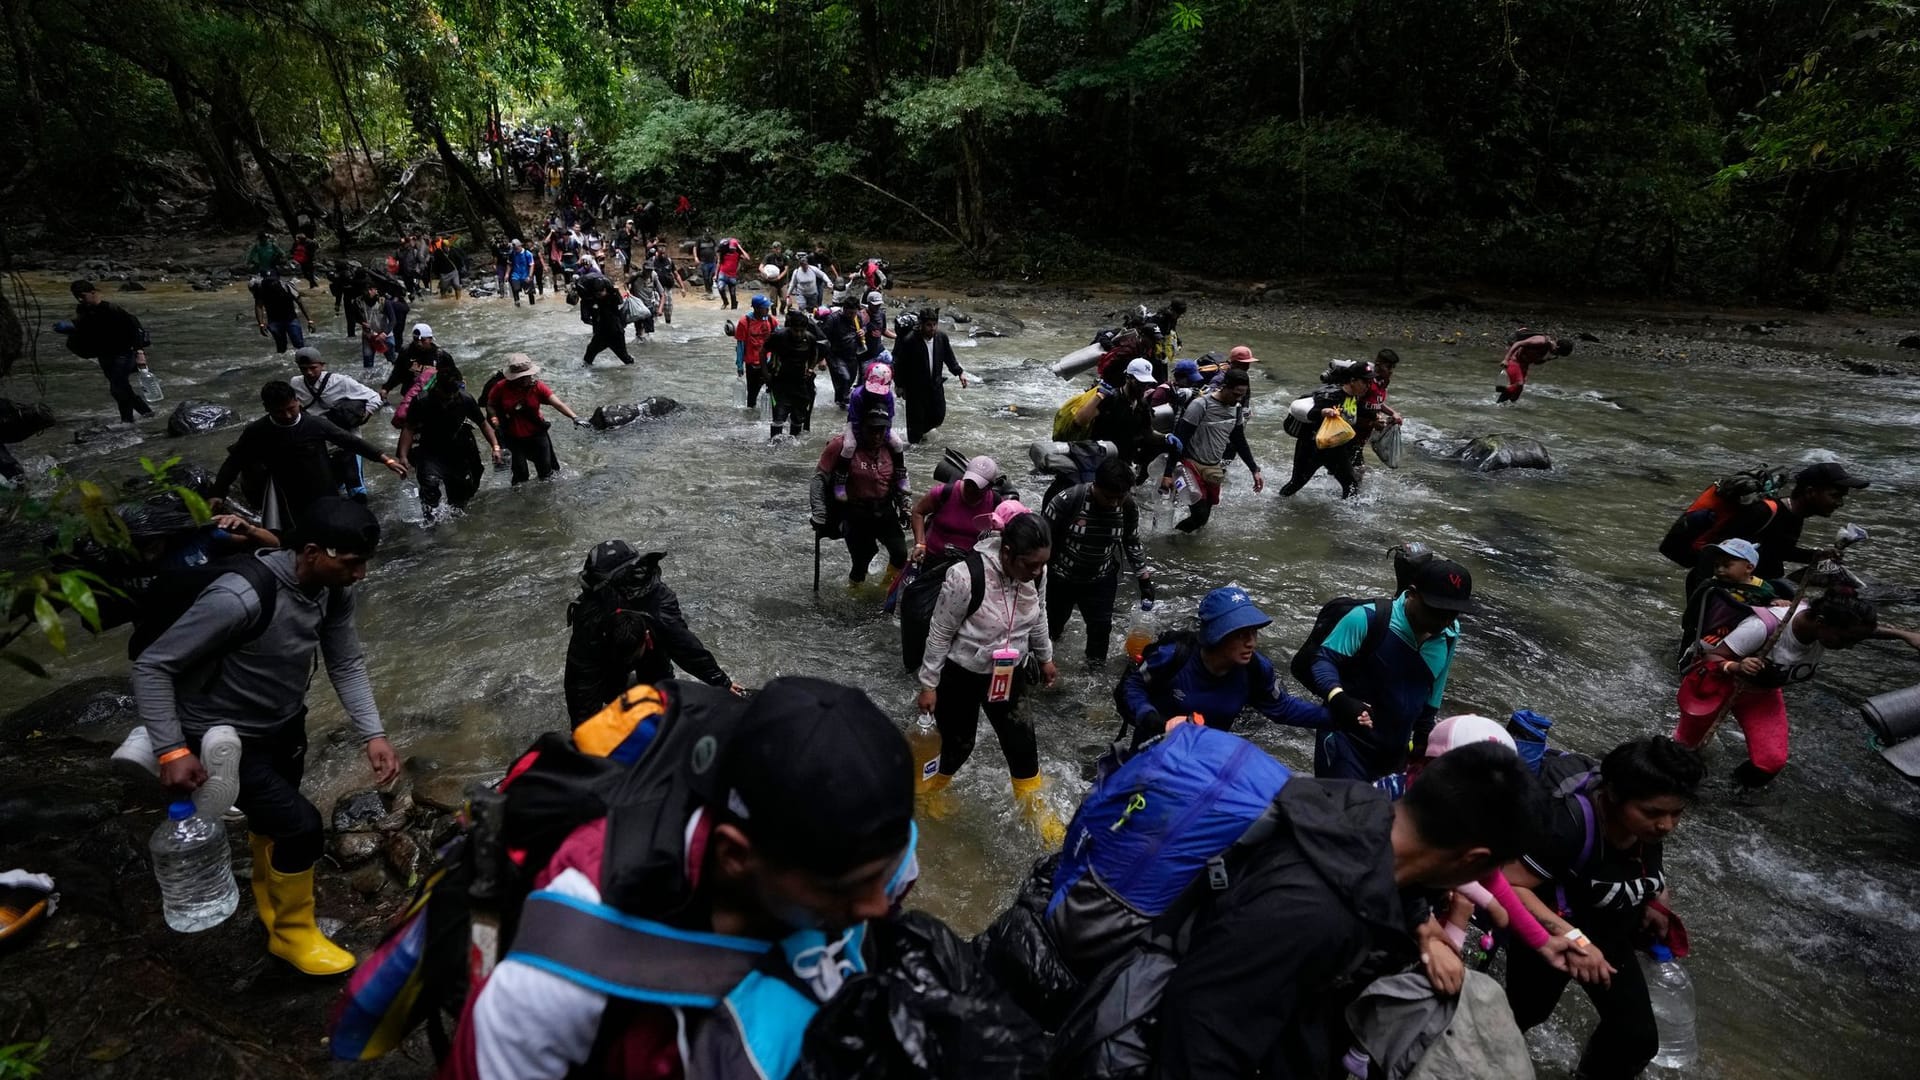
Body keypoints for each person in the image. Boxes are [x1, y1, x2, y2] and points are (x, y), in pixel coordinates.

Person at [442, 676, 915, 1080]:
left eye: (888, 872)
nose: (879, 906)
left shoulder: (867, 851)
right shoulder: (560, 971)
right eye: (846, 888)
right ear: (734, 854)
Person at [1150, 741, 1543, 1078]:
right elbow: (1197, 1040)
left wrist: (1422, 924)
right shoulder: (1312, 913)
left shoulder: (1361, 806)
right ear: (1473, 860)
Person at [132, 497, 398, 976]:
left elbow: (345, 661)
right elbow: (153, 665)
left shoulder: (332, 590)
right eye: (353, 563)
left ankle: (272, 912)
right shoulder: (240, 597)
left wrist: (372, 734)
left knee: (270, 825)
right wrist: (171, 749)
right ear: (313, 551)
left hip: (283, 723)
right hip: (220, 735)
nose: (360, 574)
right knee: (301, 828)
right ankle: (292, 937)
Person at [1503, 737, 1704, 1080]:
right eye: (1654, 812)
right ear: (1613, 795)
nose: (1666, 825)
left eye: (1677, 813)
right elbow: (1509, 885)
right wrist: (1577, 942)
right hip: (1552, 942)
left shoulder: (1645, 831)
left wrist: (1655, 899)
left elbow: (1643, 867)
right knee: (1517, 1020)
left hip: (1611, 940)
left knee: (1636, 1038)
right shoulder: (1567, 825)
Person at [913, 504, 1062, 840]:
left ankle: (1033, 810)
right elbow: (939, 632)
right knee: (958, 745)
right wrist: (929, 685)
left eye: (1043, 564)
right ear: (1007, 552)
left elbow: (1039, 614)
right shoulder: (965, 577)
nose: (1037, 572)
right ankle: (928, 795)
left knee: (1023, 744)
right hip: (961, 673)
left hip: (1008, 671)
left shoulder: (1037, 574)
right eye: (1031, 565)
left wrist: (1045, 656)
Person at [1674, 590, 1920, 790]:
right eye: (1846, 640)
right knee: (1685, 752)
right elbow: (1711, 656)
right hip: (1716, 686)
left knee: (1770, 763)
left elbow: (1865, 631)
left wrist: (1904, 635)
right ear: (1821, 622)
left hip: (1762, 694)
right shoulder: (1763, 627)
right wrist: (1736, 665)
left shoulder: (1830, 626)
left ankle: (1731, 794)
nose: (1849, 647)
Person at [1308, 557, 1476, 781]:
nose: (1443, 620)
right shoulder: (1368, 618)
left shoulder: (1449, 634)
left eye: (1452, 613)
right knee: (1343, 811)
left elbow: (1436, 686)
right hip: (1346, 742)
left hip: (1395, 752)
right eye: (1435, 610)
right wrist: (1338, 697)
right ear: (1412, 593)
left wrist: (1424, 736)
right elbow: (1323, 661)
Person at [1116, 585, 1330, 748]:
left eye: (1254, 632)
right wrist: (1152, 718)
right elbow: (1131, 687)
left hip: (1206, 757)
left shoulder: (1256, 668)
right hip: (1152, 751)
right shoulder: (1173, 655)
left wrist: (1343, 717)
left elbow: (1283, 708)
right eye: (1240, 634)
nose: (1251, 642)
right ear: (1217, 635)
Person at [561, 539, 742, 724]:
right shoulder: (590, 616)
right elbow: (581, 682)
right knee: (608, 695)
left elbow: (684, 645)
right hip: (610, 652)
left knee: (660, 695)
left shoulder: (658, 602)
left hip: (651, 648)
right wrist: (583, 734)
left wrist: (721, 682)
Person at [212, 381, 406, 530]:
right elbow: (234, 462)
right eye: (280, 412)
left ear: (298, 402)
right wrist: (217, 494)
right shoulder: (258, 431)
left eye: (291, 409)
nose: (287, 416)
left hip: (323, 487)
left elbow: (350, 441)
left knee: (332, 529)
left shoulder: (314, 424)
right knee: (295, 534)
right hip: (286, 492)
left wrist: (385, 459)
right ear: (267, 408)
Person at [1692, 461, 1870, 593]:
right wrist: (1706, 596)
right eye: (1835, 496)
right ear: (1810, 492)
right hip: (1722, 592)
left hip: (1754, 588)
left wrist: (1816, 555)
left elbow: (1778, 550)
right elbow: (1714, 551)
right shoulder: (1764, 512)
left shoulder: (1794, 515)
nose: (1840, 503)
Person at [1044, 456, 1150, 667]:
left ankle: (1093, 675)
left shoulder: (1127, 507)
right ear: (1096, 485)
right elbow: (1042, 542)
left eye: (1120, 497)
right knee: (1052, 628)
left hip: (1100, 578)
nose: (1114, 503)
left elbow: (1132, 542)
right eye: (1109, 497)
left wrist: (1144, 578)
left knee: (1101, 630)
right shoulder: (1067, 501)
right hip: (1061, 578)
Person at [812, 408, 910, 586]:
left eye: (881, 430)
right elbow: (819, 479)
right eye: (872, 430)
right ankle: (855, 591)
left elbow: (901, 475)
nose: (877, 436)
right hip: (855, 513)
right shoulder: (841, 446)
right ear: (860, 427)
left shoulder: (891, 447)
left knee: (900, 553)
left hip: (884, 509)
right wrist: (819, 512)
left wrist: (905, 505)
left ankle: (885, 589)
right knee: (862, 560)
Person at [1159, 368, 1263, 533]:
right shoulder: (1201, 405)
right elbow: (1180, 439)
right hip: (1189, 464)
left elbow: (1239, 441)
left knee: (1203, 519)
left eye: (1242, 395)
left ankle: (1179, 541)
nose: (1239, 398)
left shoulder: (1236, 409)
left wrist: (1254, 469)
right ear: (1225, 386)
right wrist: (1167, 473)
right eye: (1236, 394)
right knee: (1199, 515)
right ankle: (1170, 542)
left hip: (1213, 467)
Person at [397, 362, 501, 521]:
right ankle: (430, 529)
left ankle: (456, 531)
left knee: (459, 500)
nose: (449, 399)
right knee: (430, 489)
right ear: (437, 388)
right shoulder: (422, 401)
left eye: (453, 394)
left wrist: (495, 446)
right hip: (430, 450)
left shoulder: (465, 399)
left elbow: (483, 423)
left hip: (458, 449)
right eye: (446, 395)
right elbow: (409, 428)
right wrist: (403, 455)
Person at [291, 348, 384, 498]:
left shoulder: (341, 381)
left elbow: (375, 397)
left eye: (313, 368)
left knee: (356, 490)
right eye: (304, 369)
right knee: (330, 488)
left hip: (348, 440)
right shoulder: (296, 383)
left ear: (322, 365)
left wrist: (363, 417)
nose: (309, 373)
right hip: (320, 443)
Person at [60, 280, 154, 424]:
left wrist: (140, 353)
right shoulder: (83, 311)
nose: (80, 299)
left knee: (117, 388)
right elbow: (85, 331)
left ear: (93, 293)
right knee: (122, 388)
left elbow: (134, 329)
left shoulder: (111, 309)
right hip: (104, 355)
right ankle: (147, 413)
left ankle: (127, 421)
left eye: (82, 296)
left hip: (124, 354)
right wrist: (71, 330)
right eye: (76, 296)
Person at [486, 354, 586, 485]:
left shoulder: (538, 387)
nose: (524, 380)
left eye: (526, 377)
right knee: (520, 475)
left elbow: (558, 404)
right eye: (520, 378)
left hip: (537, 435)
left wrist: (575, 417)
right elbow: (490, 404)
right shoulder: (500, 387)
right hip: (513, 438)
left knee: (546, 473)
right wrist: (494, 420)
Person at [1279, 359, 1371, 499]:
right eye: (1364, 382)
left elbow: (1357, 414)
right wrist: (1324, 412)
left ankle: (1346, 517)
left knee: (1351, 485)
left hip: (1335, 449)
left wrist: (1380, 419)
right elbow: (1311, 414)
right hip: (1311, 449)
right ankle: (1276, 504)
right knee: (1295, 484)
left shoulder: (1353, 397)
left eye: (1369, 382)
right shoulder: (1331, 395)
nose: (1367, 386)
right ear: (1352, 380)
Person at [1676, 537, 1780, 661]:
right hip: (1714, 630)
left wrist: (1776, 602)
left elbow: (1771, 605)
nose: (1720, 570)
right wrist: (1689, 628)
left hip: (1746, 632)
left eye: (1726, 565)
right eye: (1716, 565)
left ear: (1749, 568)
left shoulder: (1762, 588)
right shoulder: (1711, 584)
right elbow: (1693, 608)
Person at [891, 307, 968, 444]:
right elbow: (900, 365)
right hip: (916, 389)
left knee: (939, 416)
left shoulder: (941, 338)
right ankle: (914, 453)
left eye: (934, 325)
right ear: (921, 324)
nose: (932, 328)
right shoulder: (910, 341)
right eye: (928, 325)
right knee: (915, 426)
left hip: (936, 385)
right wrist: (899, 385)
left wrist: (959, 372)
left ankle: (922, 434)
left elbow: (949, 357)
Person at [910, 455, 1002, 562]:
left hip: (969, 565)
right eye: (969, 483)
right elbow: (918, 512)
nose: (970, 489)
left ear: (989, 487)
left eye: (977, 487)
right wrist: (920, 544)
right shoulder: (943, 493)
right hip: (934, 557)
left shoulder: (996, 503)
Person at [764, 309, 824, 440]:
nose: (798, 334)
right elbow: (762, 352)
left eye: (801, 330)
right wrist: (766, 374)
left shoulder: (809, 338)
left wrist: (810, 369)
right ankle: (774, 446)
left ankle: (794, 443)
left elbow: (815, 354)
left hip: (800, 383)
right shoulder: (779, 336)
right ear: (790, 328)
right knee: (779, 416)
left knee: (798, 417)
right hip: (779, 382)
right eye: (795, 330)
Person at [577, 270, 635, 366]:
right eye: (597, 293)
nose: (599, 295)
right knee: (589, 355)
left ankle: (634, 371)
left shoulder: (613, 296)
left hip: (615, 333)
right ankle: (586, 375)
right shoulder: (593, 299)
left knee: (625, 358)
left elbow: (620, 302)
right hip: (602, 333)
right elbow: (585, 317)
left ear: (605, 290)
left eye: (601, 292)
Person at [250, 270, 315, 354]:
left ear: (278, 278)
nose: (271, 283)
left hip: (291, 319)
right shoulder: (261, 289)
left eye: (273, 280)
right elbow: (258, 306)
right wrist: (261, 324)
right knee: (281, 348)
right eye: (268, 280)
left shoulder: (287, 286)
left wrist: (310, 320)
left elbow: (300, 303)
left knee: (298, 344)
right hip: (274, 321)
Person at [1495, 333, 1572, 403]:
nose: (1555, 354)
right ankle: (1499, 402)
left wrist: (1547, 359)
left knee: (1517, 393)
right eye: (1557, 352)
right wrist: (1506, 359)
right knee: (1519, 384)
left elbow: (1535, 362)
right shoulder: (1541, 341)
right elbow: (1518, 343)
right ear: (1557, 347)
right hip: (1514, 361)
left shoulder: (1546, 349)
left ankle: (1506, 408)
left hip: (1524, 366)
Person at [822, 295, 869, 407]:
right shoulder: (833, 319)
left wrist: (863, 331)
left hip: (852, 355)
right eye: (849, 313)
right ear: (843, 309)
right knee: (844, 377)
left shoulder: (857, 317)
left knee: (850, 380)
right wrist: (822, 358)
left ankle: (841, 401)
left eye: (853, 313)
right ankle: (843, 401)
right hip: (836, 355)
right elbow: (823, 339)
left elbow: (864, 327)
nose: (851, 316)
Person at [734, 295, 776, 408]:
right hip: (753, 365)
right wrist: (739, 365)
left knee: (774, 391)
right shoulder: (745, 322)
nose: (768, 310)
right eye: (765, 308)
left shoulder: (771, 320)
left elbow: (778, 341)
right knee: (752, 396)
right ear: (756, 308)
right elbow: (740, 345)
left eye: (768, 307)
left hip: (769, 363)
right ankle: (750, 419)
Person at [507, 239, 537, 306]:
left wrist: (530, 276)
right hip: (516, 275)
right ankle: (517, 305)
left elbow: (532, 265)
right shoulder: (512, 253)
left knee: (530, 293)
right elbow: (509, 264)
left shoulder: (528, 254)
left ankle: (532, 306)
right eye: (514, 249)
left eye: (516, 248)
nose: (515, 250)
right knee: (515, 290)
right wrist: (507, 274)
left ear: (520, 246)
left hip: (526, 275)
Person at [694, 232, 719, 296]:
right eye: (708, 235)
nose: (709, 236)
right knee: (706, 277)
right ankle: (708, 290)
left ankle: (713, 288)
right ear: (704, 234)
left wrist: (718, 257)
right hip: (704, 262)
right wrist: (696, 257)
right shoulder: (699, 240)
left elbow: (715, 249)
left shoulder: (712, 240)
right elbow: (694, 248)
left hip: (712, 261)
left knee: (713, 275)